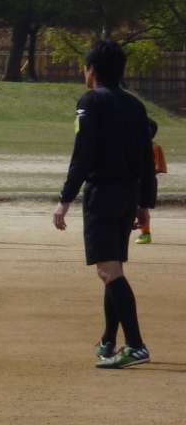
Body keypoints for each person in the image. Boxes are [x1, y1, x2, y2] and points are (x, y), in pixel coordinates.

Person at [53, 38, 157, 369]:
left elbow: (83, 152)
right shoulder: (136, 105)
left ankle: (136, 346)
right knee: (114, 268)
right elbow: (146, 158)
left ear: (92, 69)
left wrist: (65, 197)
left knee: (107, 270)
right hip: (129, 192)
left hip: (103, 193)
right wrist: (145, 202)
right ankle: (110, 340)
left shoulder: (90, 101)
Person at [134, 118, 169, 244]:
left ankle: (145, 233)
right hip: (133, 181)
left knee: (142, 207)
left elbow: (158, 167)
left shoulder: (154, 147)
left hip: (146, 182)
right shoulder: (133, 147)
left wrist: (145, 173)